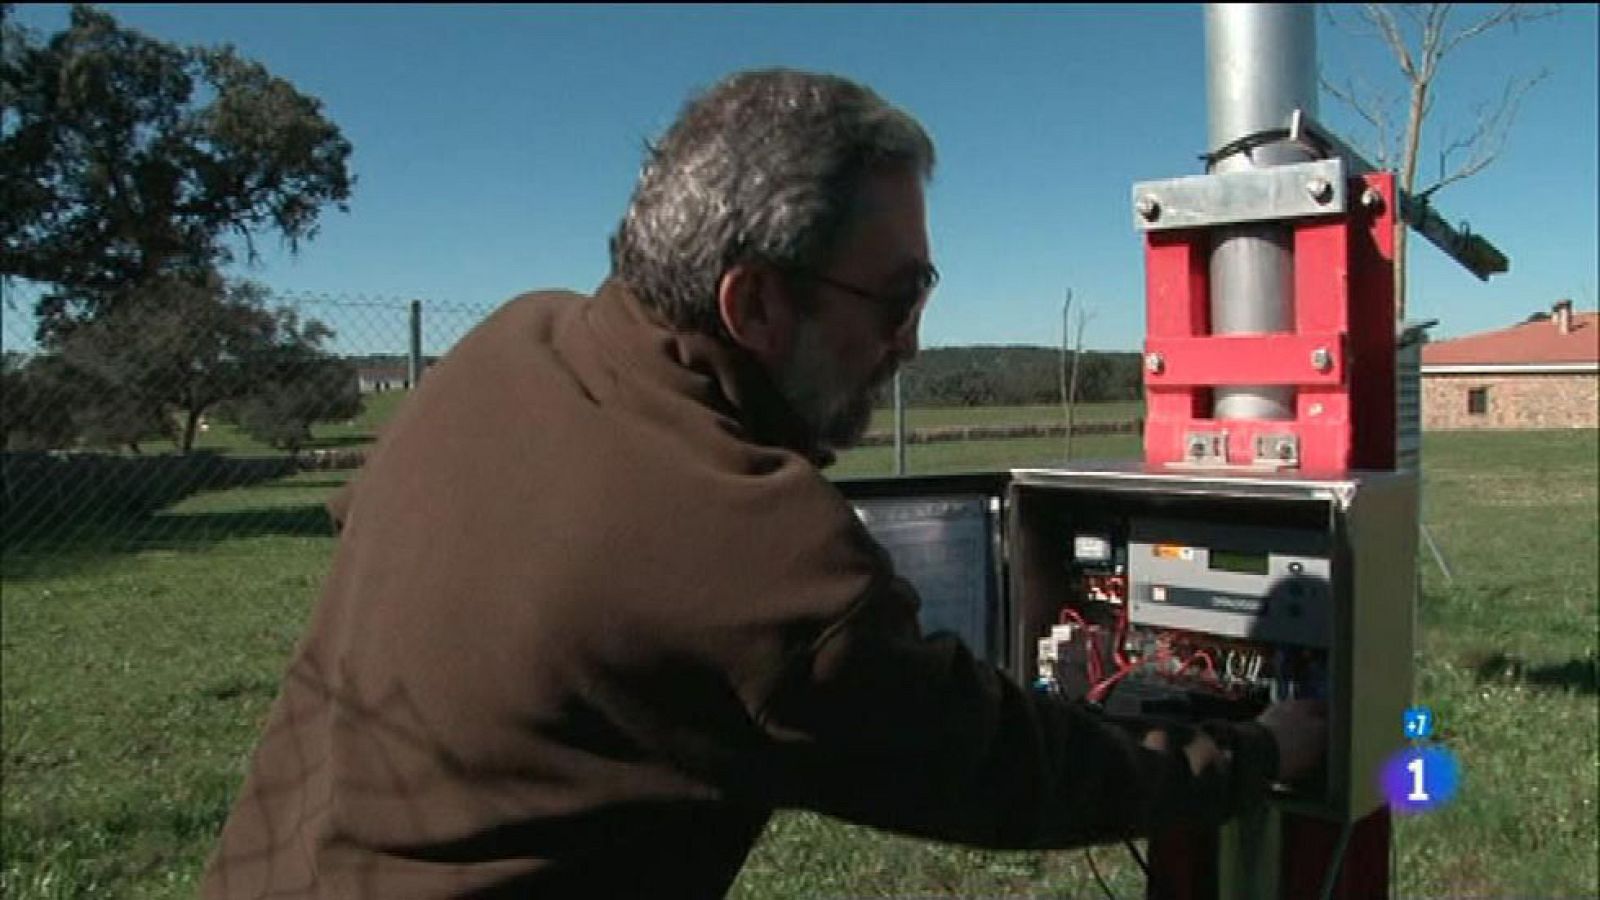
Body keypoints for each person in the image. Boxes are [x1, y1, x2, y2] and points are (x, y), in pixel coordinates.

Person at [201, 68, 1325, 898]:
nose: (912, 346)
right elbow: (1005, 770)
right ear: (754, 306)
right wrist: (1261, 750)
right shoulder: (749, 548)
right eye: (895, 299)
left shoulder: (509, 347)